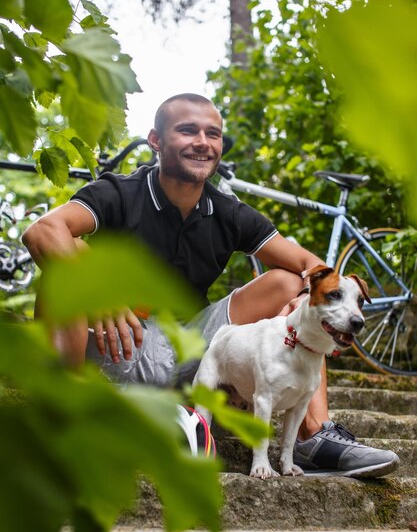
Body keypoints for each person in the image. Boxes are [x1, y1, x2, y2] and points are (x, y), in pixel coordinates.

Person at [23, 93, 399, 478]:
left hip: (195, 353)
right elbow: (42, 231)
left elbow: (309, 265)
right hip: (118, 344)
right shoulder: (119, 192)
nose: (203, 142)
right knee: (62, 270)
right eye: (188, 130)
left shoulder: (227, 210)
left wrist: (304, 295)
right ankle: (59, 419)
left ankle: (313, 436)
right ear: (156, 140)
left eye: (213, 134)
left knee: (287, 283)